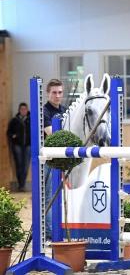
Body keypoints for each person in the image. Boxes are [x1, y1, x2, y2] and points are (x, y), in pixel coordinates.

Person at [43, 78, 66, 239]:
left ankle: (53, 229)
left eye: (60, 92)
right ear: (48, 93)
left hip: (62, 159)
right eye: (54, 93)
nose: (57, 96)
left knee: (58, 195)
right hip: (48, 159)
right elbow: (52, 133)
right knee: (49, 196)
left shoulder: (65, 110)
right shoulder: (44, 111)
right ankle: (50, 232)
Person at [7, 103, 31, 191]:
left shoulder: (31, 120)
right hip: (17, 146)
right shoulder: (14, 120)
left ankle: (23, 184)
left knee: (26, 165)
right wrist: (13, 136)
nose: (23, 111)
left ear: (27, 110)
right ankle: (20, 185)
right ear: (19, 110)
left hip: (28, 145)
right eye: (22, 109)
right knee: (19, 165)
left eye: (25, 109)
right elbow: (9, 132)